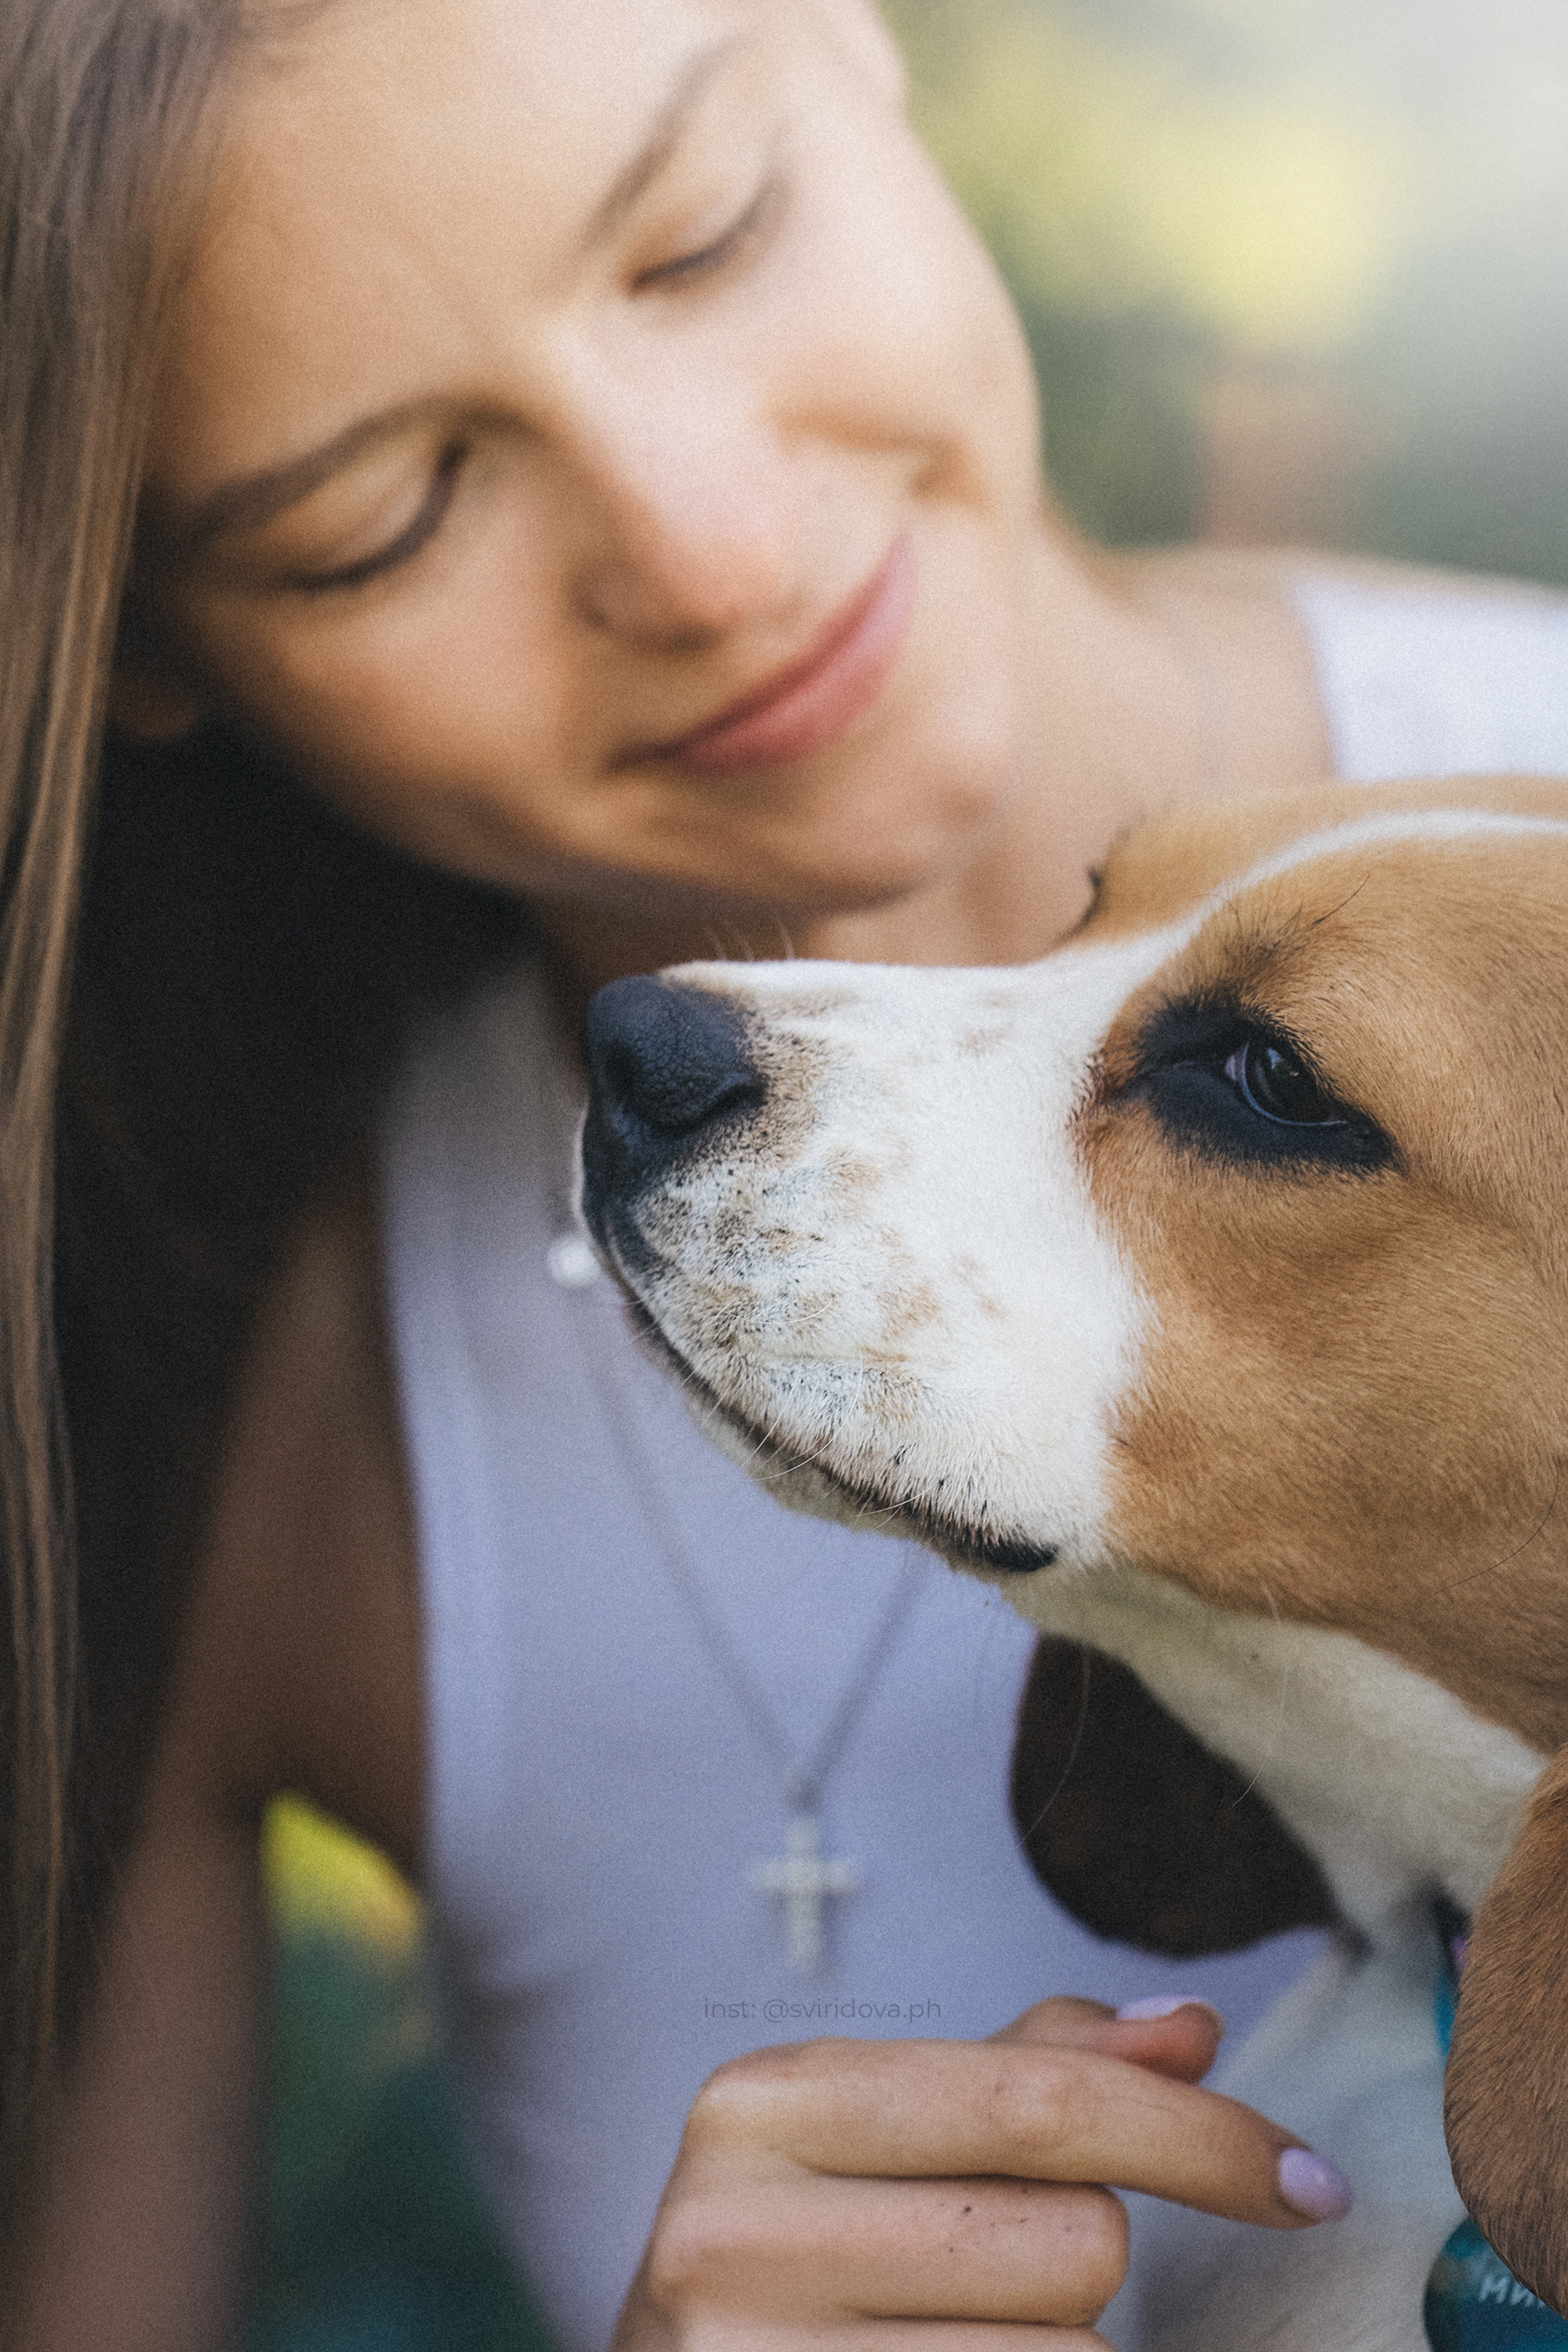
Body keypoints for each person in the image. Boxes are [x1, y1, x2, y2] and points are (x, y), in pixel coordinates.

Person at [7, 0, 1568, 2344]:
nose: (717, 554)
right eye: (381, 516)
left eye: (707, 234)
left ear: (862, 35)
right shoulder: (208, 1383)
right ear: (138, 646)